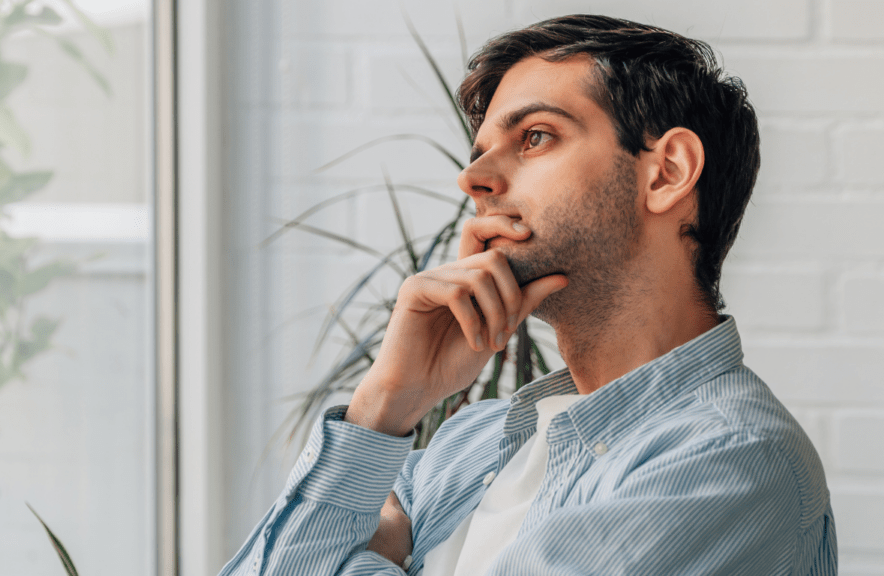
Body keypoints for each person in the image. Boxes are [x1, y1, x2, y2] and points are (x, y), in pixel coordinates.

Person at [220, 14, 836, 575]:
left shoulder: (730, 461)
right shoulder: (469, 442)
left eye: (536, 136)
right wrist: (383, 410)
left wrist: (374, 550)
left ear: (666, 171)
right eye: (480, 151)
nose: (474, 180)